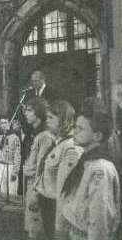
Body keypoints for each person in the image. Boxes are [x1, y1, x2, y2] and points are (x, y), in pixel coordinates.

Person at [61, 97, 120, 240]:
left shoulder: (100, 168)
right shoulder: (86, 161)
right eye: (75, 126)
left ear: (97, 136)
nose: (74, 131)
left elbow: (99, 218)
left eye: (80, 128)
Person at [35, 101, 82, 240]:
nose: (47, 121)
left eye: (51, 118)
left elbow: (65, 190)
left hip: (56, 207)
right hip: (47, 203)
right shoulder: (58, 142)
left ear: (63, 119)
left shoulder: (70, 147)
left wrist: (60, 227)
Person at [23, 97, 54, 240]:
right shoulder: (38, 135)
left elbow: (42, 168)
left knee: (36, 232)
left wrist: (35, 194)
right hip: (32, 186)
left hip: (37, 189)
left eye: (29, 110)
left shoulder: (45, 136)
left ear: (39, 113)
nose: (26, 113)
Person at [0, 118, 21, 200]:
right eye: (2, 123)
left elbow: (17, 155)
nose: (4, 125)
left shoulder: (15, 137)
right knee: (1, 191)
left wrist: (15, 170)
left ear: (9, 124)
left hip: (10, 166)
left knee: (12, 191)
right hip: (0, 165)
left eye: (5, 123)